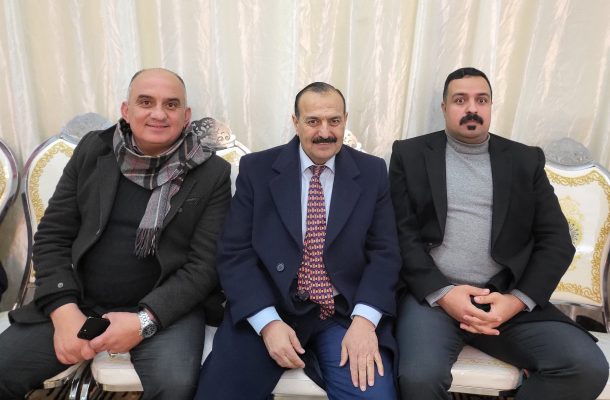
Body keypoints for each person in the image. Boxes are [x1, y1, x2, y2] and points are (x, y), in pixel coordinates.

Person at [0, 68, 231, 399]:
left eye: (171, 104)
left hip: (165, 308)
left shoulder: (212, 173)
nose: (158, 114)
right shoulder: (94, 150)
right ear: (126, 110)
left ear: (186, 116)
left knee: (175, 385)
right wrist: (64, 312)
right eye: (146, 102)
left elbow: (204, 266)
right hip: (80, 297)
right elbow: (53, 235)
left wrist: (144, 320)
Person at [389, 67, 609, 399]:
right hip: (433, 299)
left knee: (586, 368)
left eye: (481, 100)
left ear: (491, 106)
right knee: (419, 378)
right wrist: (443, 294)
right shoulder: (410, 154)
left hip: (503, 300)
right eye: (460, 100)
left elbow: (556, 241)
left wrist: (516, 301)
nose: (471, 108)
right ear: (444, 108)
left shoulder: (524, 160)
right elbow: (401, 234)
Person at [195, 82, 401, 400]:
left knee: (373, 396)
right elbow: (234, 253)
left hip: (343, 314)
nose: (324, 132)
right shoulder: (257, 170)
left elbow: (385, 253)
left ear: (345, 120)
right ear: (295, 122)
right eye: (313, 121)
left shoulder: (372, 172)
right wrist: (267, 323)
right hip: (272, 305)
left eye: (334, 121)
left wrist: (365, 321)